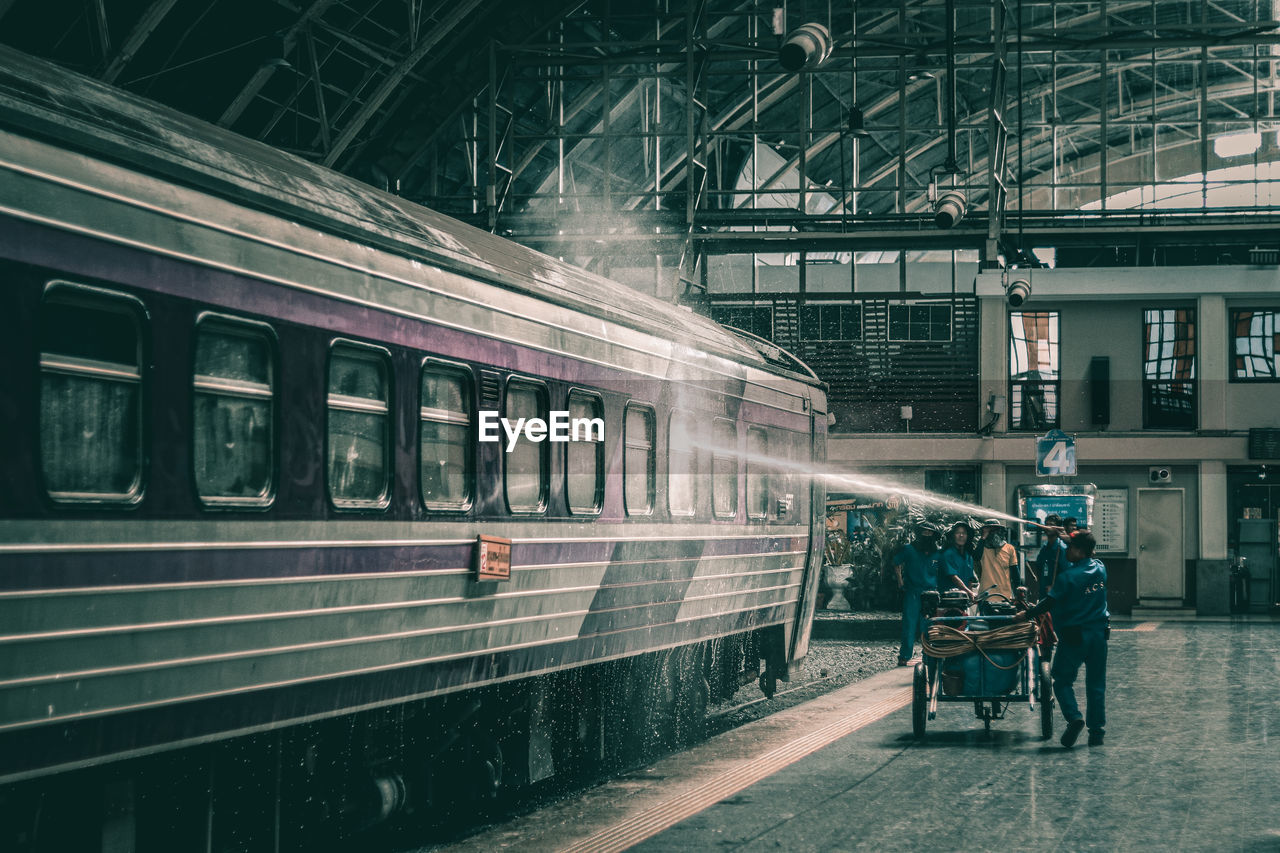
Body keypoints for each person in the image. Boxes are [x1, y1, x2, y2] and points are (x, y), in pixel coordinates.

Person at [1016, 531, 1110, 748]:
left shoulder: (1068, 577)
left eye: (1070, 547)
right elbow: (1088, 552)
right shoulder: (1100, 568)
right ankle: (1097, 733)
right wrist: (1069, 538)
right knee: (1096, 684)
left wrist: (1026, 614)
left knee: (1061, 680)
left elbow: (1048, 603)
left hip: (1074, 637)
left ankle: (1074, 717)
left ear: (1078, 550)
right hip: (1099, 635)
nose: (1066, 551)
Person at [893, 522, 940, 666]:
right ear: (919, 533)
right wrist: (900, 581)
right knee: (909, 625)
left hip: (931, 594)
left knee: (929, 626)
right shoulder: (909, 549)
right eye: (924, 532)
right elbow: (896, 562)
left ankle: (928, 656)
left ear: (934, 535)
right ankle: (905, 656)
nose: (926, 535)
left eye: (929, 532)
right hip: (913, 592)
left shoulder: (938, 552)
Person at [977, 519, 1021, 605]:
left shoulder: (1009, 548)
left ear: (1000, 531)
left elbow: (1015, 573)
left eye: (995, 530)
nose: (993, 533)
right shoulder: (982, 548)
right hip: (985, 597)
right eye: (990, 531)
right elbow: (976, 556)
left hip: (1005, 597)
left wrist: (1018, 594)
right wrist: (983, 538)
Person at [938, 521, 976, 598]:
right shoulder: (947, 554)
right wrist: (969, 592)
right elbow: (953, 577)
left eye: (964, 533)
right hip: (948, 598)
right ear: (952, 536)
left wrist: (971, 595)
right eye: (958, 533)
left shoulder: (968, 556)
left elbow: (970, 579)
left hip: (963, 599)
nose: (961, 535)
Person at [1036, 514, 1069, 592]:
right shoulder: (1044, 548)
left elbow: (1066, 573)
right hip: (1044, 592)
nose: (1048, 527)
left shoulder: (1061, 549)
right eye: (1046, 524)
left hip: (1057, 595)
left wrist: (1056, 588)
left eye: (1051, 525)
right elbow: (1039, 567)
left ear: (1058, 528)